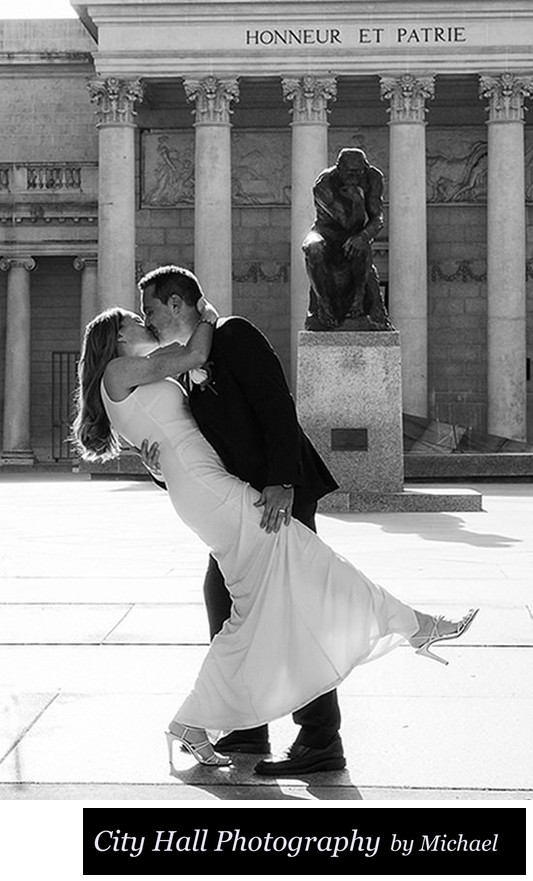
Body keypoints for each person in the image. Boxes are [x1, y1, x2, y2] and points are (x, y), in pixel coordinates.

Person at [72, 299, 478, 772]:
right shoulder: (125, 370)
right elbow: (193, 359)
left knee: (248, 609)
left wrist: (160, 464)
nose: (147, 324)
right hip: (212, 492)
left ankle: (200, 723)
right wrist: (205, 317)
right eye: (136, 321)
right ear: (118, 337)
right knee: (308, 564)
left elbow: (175, 435)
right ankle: (414, 627)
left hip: (205, 490)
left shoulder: (134, 376)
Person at [137, 265, 343, 777]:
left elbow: (278, 406)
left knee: (290, 613)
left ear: (179, 303)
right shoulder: (191, 364)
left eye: (151, 310)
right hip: (242, 508)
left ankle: (320, 740)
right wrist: (162, 470)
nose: (148, 320)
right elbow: (205, 452)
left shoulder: (235, 335)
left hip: (277, 499)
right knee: (223, 597)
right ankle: (247, 724)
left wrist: (282, 480)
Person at [303, 147, 393, 331]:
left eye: (359, 171)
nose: (355, 176)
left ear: (365, 168)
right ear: (339, 168)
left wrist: (365, 235)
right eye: (349, 172)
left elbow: (378, 218)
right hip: (326, 232)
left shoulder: (373, 177)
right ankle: (324, 304)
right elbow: (346, 220)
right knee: (312, 247)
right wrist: (358, 199)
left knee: (361, 245)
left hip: (355, 234)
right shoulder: (324, 184)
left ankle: (359, 300)